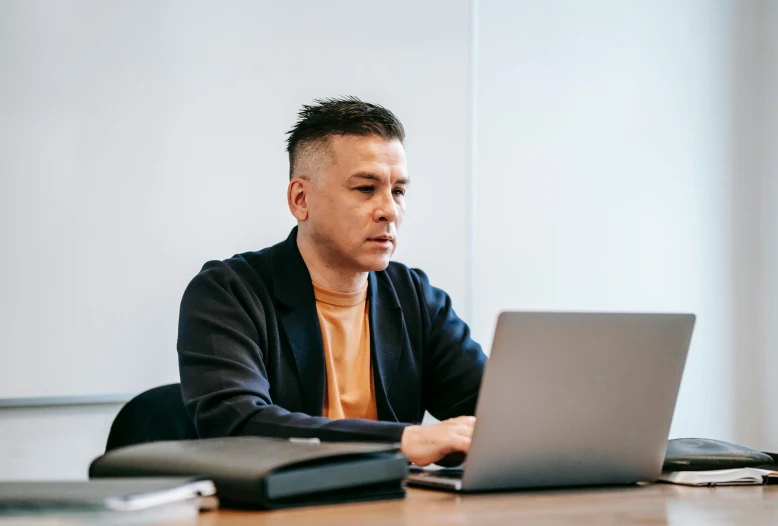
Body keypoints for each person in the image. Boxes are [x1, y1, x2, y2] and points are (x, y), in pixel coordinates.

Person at [177, 97, 487, 466]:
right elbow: (236, 425)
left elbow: (496, 410)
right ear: (301, 199)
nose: (389, 210)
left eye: (399, 191)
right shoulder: (228, 292)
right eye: (366, 189)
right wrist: (401, 441)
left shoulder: (416, 296)